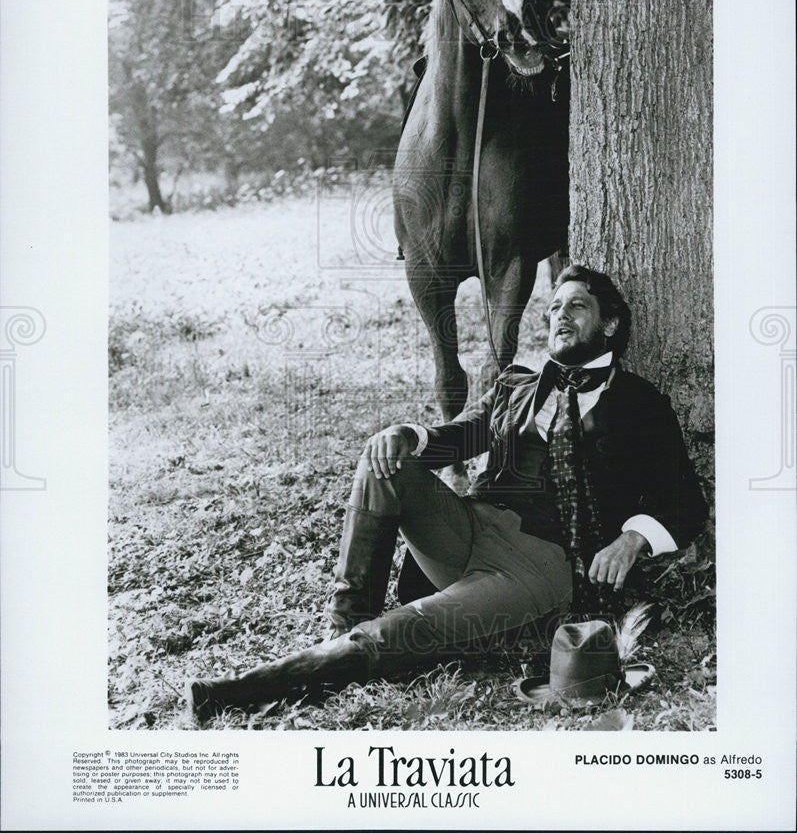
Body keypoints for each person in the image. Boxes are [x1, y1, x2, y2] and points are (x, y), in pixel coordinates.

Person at [187, 265, 707, 721]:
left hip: (534, 563)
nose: (561, 315)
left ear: (609, 325)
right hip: (464, 528)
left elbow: (683, 497)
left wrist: (631, 540)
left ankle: (240, 691)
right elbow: (462, 434)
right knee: (382, 457)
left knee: (405, 630)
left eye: (578, 306)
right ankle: (345, 620)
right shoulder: (517, 385)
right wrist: (410, 436)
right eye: (553, 307)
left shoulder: (639, 402)